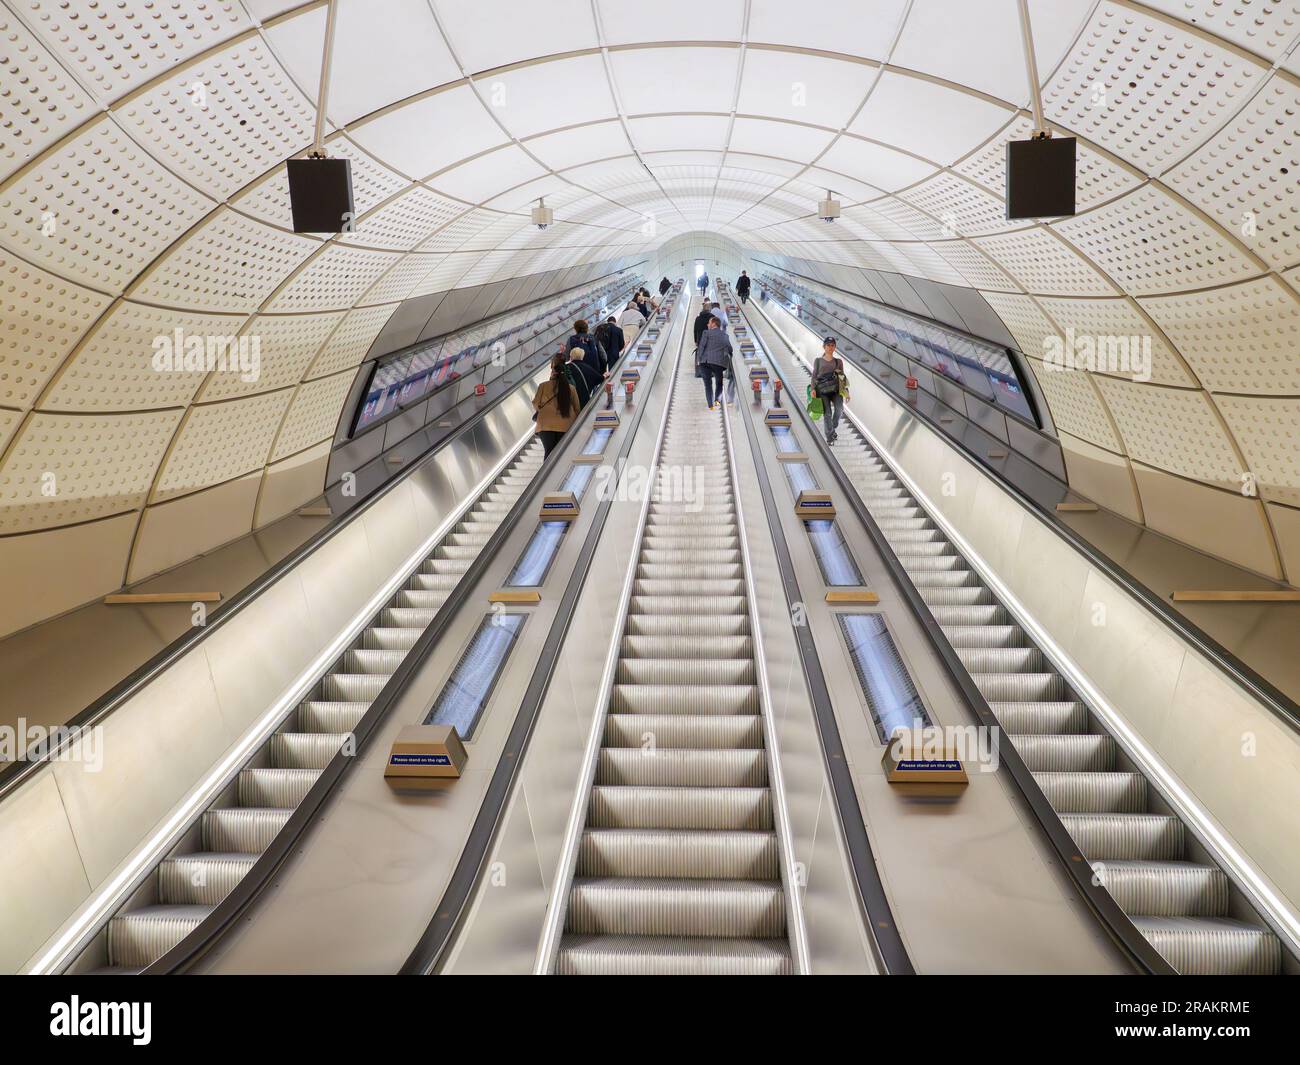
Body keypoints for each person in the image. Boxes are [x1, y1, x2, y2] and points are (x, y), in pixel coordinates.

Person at [533, 354, 578, 457]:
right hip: (566, 425)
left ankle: (546, 473)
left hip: (545, 425)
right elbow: (577, 408)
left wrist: (542, 411)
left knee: (548, 453)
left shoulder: (543, 386)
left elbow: (536, 403)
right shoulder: (571, 388)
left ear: (553, 373)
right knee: (562, 454)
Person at [812, 336, 848, 445]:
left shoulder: (838, 362)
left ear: (835, 347)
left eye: (832, 345)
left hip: (836, 390)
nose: (830, 347)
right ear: (824, 347)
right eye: (828, 345)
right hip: (822, 391)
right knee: (827, 414)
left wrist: (846, 392)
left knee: (839, 410)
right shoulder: (818, 361)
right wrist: (813, 389)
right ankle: (830, 437)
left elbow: (842, 377)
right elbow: (814, 376)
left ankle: (831, 428)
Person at [696, 317, 732, 410]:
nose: (708, 325)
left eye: (709, 323)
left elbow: (702, 346)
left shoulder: (706, 333)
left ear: (714, 324)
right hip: (718, 362)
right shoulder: (724, 335)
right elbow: (729, 348)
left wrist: (699, 360)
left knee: (707, 384)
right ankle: (717, 401)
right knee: (719, 382)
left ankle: (710, 405)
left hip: (705, 361)